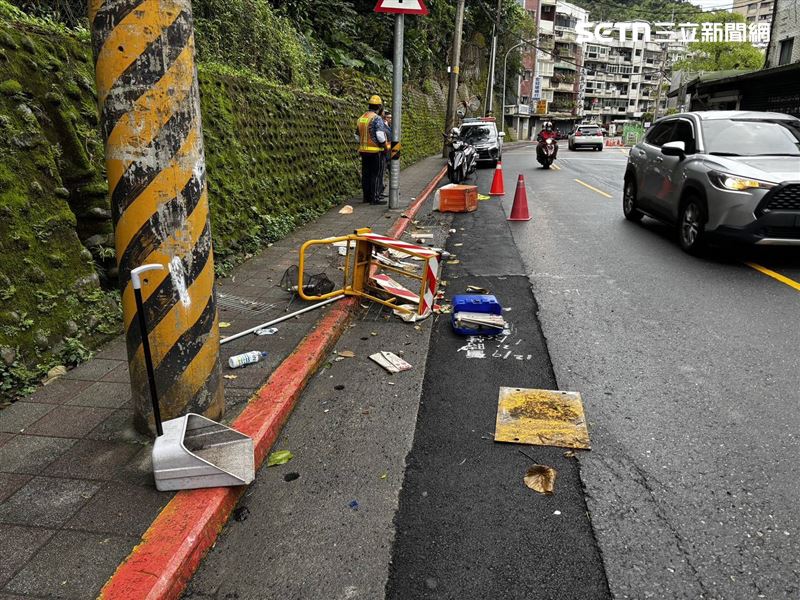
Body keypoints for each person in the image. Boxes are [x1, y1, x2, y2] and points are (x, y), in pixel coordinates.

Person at [356, 95, 389, 205]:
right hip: (376, 152)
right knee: (376, 174)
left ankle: (366, 197)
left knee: (366, 174)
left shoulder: (361, 118)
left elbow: (356, 136)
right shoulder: (377, 118)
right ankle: (375, 198)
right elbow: (380, 136)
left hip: (364, 151)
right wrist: (385, 147)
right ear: (379, 107)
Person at [377, 111, 392, 199]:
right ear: (385, 118)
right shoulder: (384, 128)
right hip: (386, 154)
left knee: (392, 173)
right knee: (381, 174)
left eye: (391, 118)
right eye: (389, 117)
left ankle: (394, 190)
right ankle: (380, 191)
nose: (390, 119)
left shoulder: (391, 127)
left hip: (391, 154)